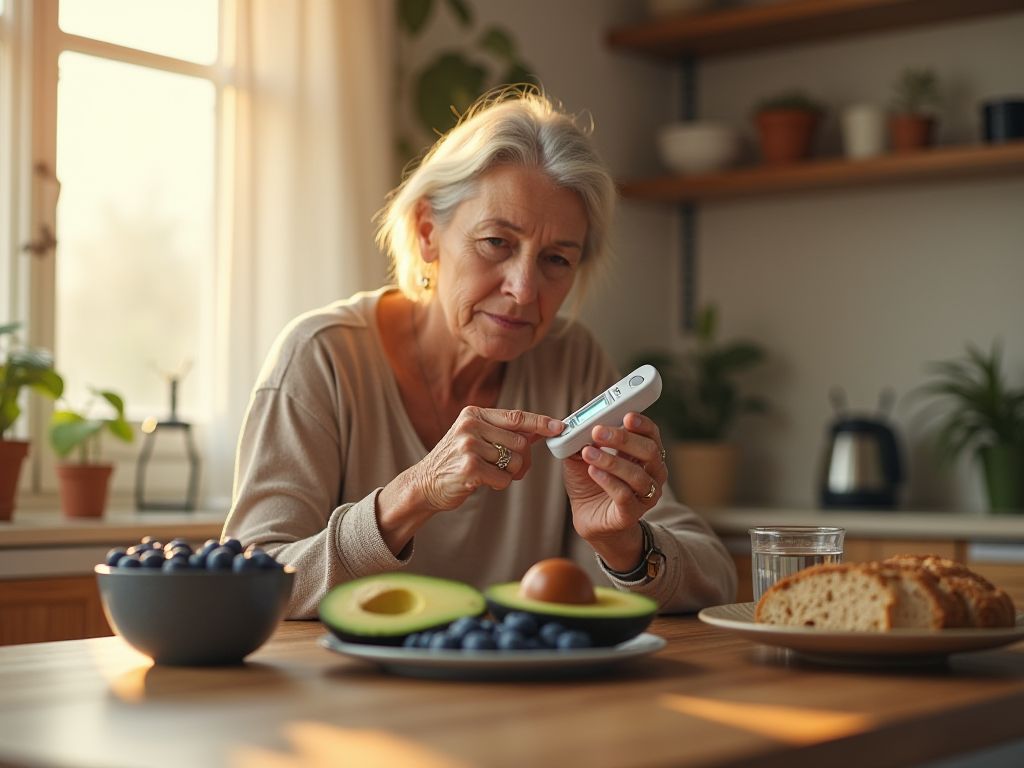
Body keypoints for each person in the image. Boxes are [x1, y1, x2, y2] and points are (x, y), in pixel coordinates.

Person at [223, 88, 736, 618]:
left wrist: (624, 546)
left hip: (522, 697)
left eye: (557, 260)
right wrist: (412, 495)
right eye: (496, 242)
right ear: (428, 232)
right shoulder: (321, 358)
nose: (524, 289)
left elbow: (714, 575)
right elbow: (244, 583)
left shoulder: (571, 361)